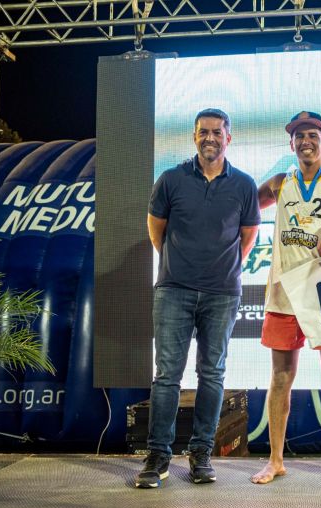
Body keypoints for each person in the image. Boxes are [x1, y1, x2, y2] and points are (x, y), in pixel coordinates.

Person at [137, 108, 261, 488]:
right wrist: (181, 268)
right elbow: (156, 232)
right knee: (167, 376)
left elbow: (249, 235)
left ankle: (201, 455)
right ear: (195, 137)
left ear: (229, 137)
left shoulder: (243, 184)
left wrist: (222, 270)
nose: (210, 138)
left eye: (217, 132)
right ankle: (158, 456)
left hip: (222, 293)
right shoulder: (171, 179)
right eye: (203, 132)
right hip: (173, 290)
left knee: (212, 374)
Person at [250, 111, 321, 485]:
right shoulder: (280, 184)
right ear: (291, 144)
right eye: (298, 136)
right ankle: (276, 460)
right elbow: (243, 206)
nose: (305, 141)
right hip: (284, 294)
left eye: (312, 134)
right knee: (280, 376)